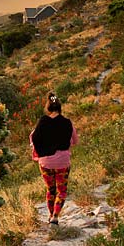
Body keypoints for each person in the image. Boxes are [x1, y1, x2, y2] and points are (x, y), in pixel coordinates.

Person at [30, 92, 79, 225]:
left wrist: (41, 150)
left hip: (45, 162)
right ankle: (56, 216)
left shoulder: (43, 122)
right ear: (60, 107)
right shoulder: (67, 123)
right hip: (63, 161)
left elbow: (33, 137)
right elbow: (75, 141)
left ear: (48, 107)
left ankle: (50, 214)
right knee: (61, 190)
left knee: (50, 190)